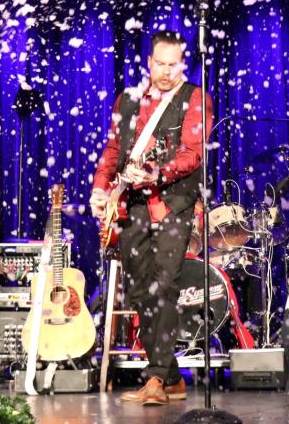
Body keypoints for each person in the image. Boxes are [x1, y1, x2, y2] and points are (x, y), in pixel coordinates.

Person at [89, 30, 212, 406]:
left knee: (165, 286)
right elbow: (114, 149)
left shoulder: (195, 97)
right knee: (140, 291)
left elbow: (193, 154)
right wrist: (100, 187)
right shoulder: (127, 100)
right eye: (160, 63)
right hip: (131, 205)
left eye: (173, 65)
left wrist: (158, 173)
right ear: (149, 62)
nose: (166, 71)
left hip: (173, 203)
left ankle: (156, 378)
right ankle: (172, 378)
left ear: (183, 64)